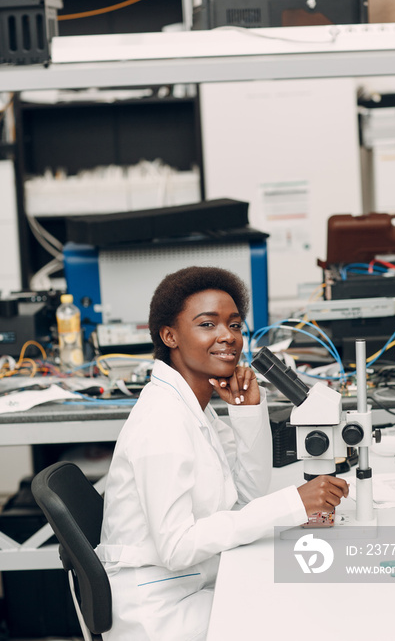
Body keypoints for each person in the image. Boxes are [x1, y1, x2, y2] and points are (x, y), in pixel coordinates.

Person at [96, 266, 348, 641]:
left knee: (312, 586)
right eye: (207, 324)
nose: (227, 337)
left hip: (191, 584)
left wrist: (247, 412)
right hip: (160, 611)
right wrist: (293, 504)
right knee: (307, 612)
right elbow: (177, 547)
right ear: (170, 336)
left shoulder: (195, 407)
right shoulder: (161, 421)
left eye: (234, 325)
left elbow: (245, 495)